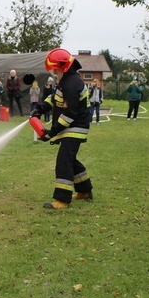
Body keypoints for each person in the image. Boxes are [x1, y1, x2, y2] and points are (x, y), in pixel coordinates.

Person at [31, 48, 92, 209]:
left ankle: (62, 200)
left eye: (55, 69)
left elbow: (70, 113)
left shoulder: (72, 85)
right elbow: (55, 98)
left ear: (62, 67)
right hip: (73, 126)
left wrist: (52, 131)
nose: (54, 72)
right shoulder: (66, 81)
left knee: (64, 161)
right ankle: (85, 191)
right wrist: (41, 108)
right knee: (70, 159)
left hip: (75, 127)